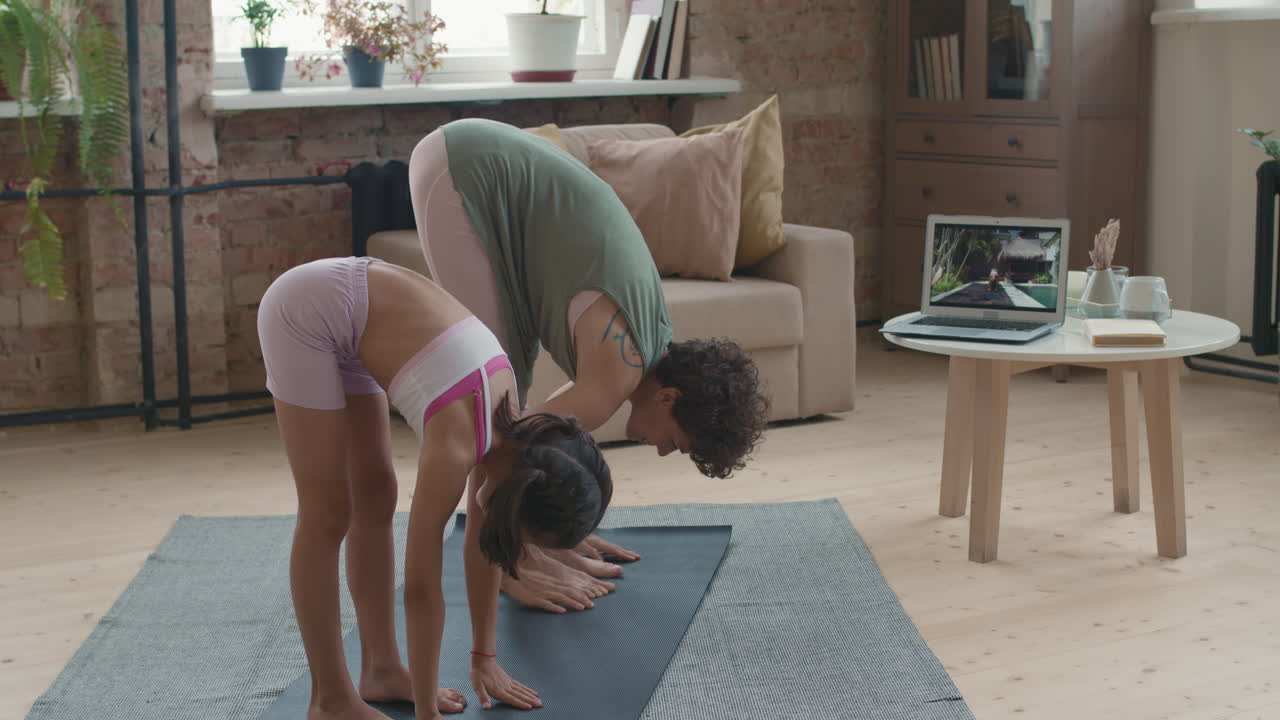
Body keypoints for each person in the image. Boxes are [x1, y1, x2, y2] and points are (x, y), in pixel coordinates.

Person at [407, 118, 770, 612]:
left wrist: (559, 530)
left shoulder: (651, 338)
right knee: (491, 409)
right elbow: (496, 451)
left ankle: (520, 548)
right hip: (466, 169)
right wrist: (526, 558)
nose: (662, 451)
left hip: (473, 153)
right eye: (676, 442)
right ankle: (507, 568)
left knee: (506, 392)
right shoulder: (615, 376)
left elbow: (536, 454)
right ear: (669, 397)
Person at [257, 256, 613, 720]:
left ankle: (381, 668)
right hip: (305, 309)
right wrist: (428, 713)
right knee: (327, 511)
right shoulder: (457, 448)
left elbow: (484, 547)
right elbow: (422, 590)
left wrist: (484, 658)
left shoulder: (518, 441)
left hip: (357, 314)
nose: (516, 542)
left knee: (376, 492)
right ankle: (329, 698)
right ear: (520, 494)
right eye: (523, 533)